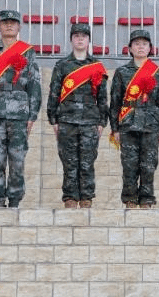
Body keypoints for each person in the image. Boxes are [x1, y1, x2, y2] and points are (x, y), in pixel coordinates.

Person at [0, 9, 41, 208]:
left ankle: (14, 202)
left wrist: (32, 116)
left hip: (19, 114)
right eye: (5, 22)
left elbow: (34, 85)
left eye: (13, 22)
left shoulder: (27, 51)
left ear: (19, 26)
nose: (9, 25)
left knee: (17, 160)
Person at [47, 23, 108, 208]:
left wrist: (102, 121)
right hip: (66, 120)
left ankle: (87, 198)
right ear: (71, 40)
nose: (80, 39)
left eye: (84, 36)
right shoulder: (62, 65)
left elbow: (102, 96)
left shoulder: (97, 66)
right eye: (76, 36)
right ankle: (70, 198)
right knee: (69, 162)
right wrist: (53, 120)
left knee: (88, 162)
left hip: (90, 121)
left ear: (89, 40)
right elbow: (54, 93)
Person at [109, 29, 159, 209]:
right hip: (127, 125)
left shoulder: (158, 73)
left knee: (149, 166)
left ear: (150, 48)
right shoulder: (122, 72)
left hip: (151, 126)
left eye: (144, 44)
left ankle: (147, 200)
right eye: (136, 44)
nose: (140, 47)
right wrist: (115, 128)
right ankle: (129, 200)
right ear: (130, 48)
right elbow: (115, 101)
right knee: (129, 166)